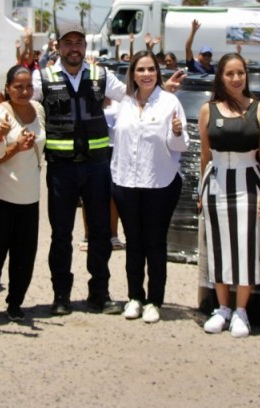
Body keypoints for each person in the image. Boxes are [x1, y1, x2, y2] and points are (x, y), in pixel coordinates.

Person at [32, 24, 185, 316]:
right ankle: (61, 295)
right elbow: (21, 97)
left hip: (97, 168)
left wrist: (164, 91)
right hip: (61, 169)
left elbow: (134, 92)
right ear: (58, 47)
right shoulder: (43, 78)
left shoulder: (102, 76)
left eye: (79, 42)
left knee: (101, 234)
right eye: (68, 43)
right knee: (61, 235)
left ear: (85, 47)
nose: (74, 48)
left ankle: (99, 294)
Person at [110, 51, 188, 324]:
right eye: (140, 69)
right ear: (132, 73)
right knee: (133, 242)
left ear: (158, 72)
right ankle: (134, 297)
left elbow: (180, 146)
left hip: (160, 182)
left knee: (154, 242)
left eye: (151, 69)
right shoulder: (124, 103)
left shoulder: (170, 102)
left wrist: (177, 132)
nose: (146, 74)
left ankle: (155, 300)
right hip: (126, 182)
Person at [199, 53, 260, 338]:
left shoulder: (259, 108)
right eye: (230, 74)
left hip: (248, 181)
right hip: (216, 183)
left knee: (246, 246)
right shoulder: (208, 109)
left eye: (241, 73)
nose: (236, 79)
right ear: (221, 77)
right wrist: (201, 191)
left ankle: (241, 312)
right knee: (217, 246)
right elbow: (205, 153)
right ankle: (222, 309)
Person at [0, 65, 46, 322]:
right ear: (7, 88)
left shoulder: (39, 110)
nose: (24, 91)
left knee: (25, 255)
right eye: (18, 86)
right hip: (1, 196)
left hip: (30, 196)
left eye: (28, 86)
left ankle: (15, 302)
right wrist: (15, 148)